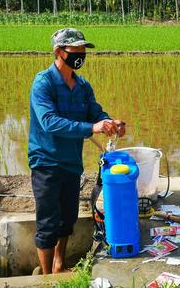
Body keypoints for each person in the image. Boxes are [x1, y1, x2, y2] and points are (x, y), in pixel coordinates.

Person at [28, 28, 125, 274]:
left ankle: (59, 265)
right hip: (46, 161)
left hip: (71, 161)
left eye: (83, 50)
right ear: (59, 52)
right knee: (48, 222)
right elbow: (49, 121)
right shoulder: (44, 83)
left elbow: (95, 112)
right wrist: (92, 127)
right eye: (75, 50)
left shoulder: (82, 85)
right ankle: (47, 276)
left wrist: (110, 123)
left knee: (67, 218)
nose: (81, 54)